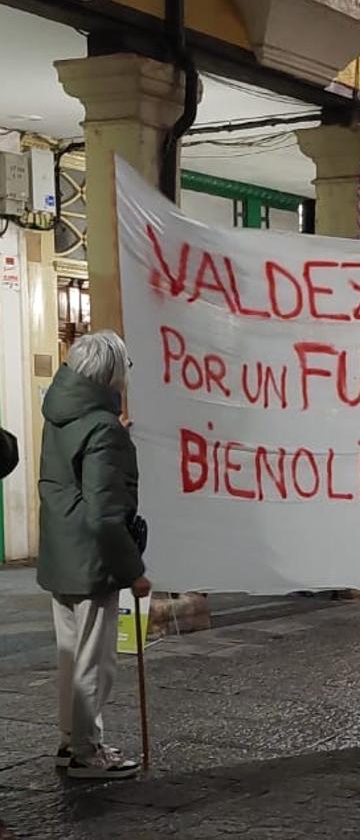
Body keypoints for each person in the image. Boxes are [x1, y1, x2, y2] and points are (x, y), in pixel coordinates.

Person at [37, 330, 151, 780]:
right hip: (92, 558)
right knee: (95, 660)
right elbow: (104, 513)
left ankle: (72, 742)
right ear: (111, 373)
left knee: (71, 653)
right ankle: (86, 750)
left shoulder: (60, 414)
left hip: (61, 553)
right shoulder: (103, 428)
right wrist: (134, 571)